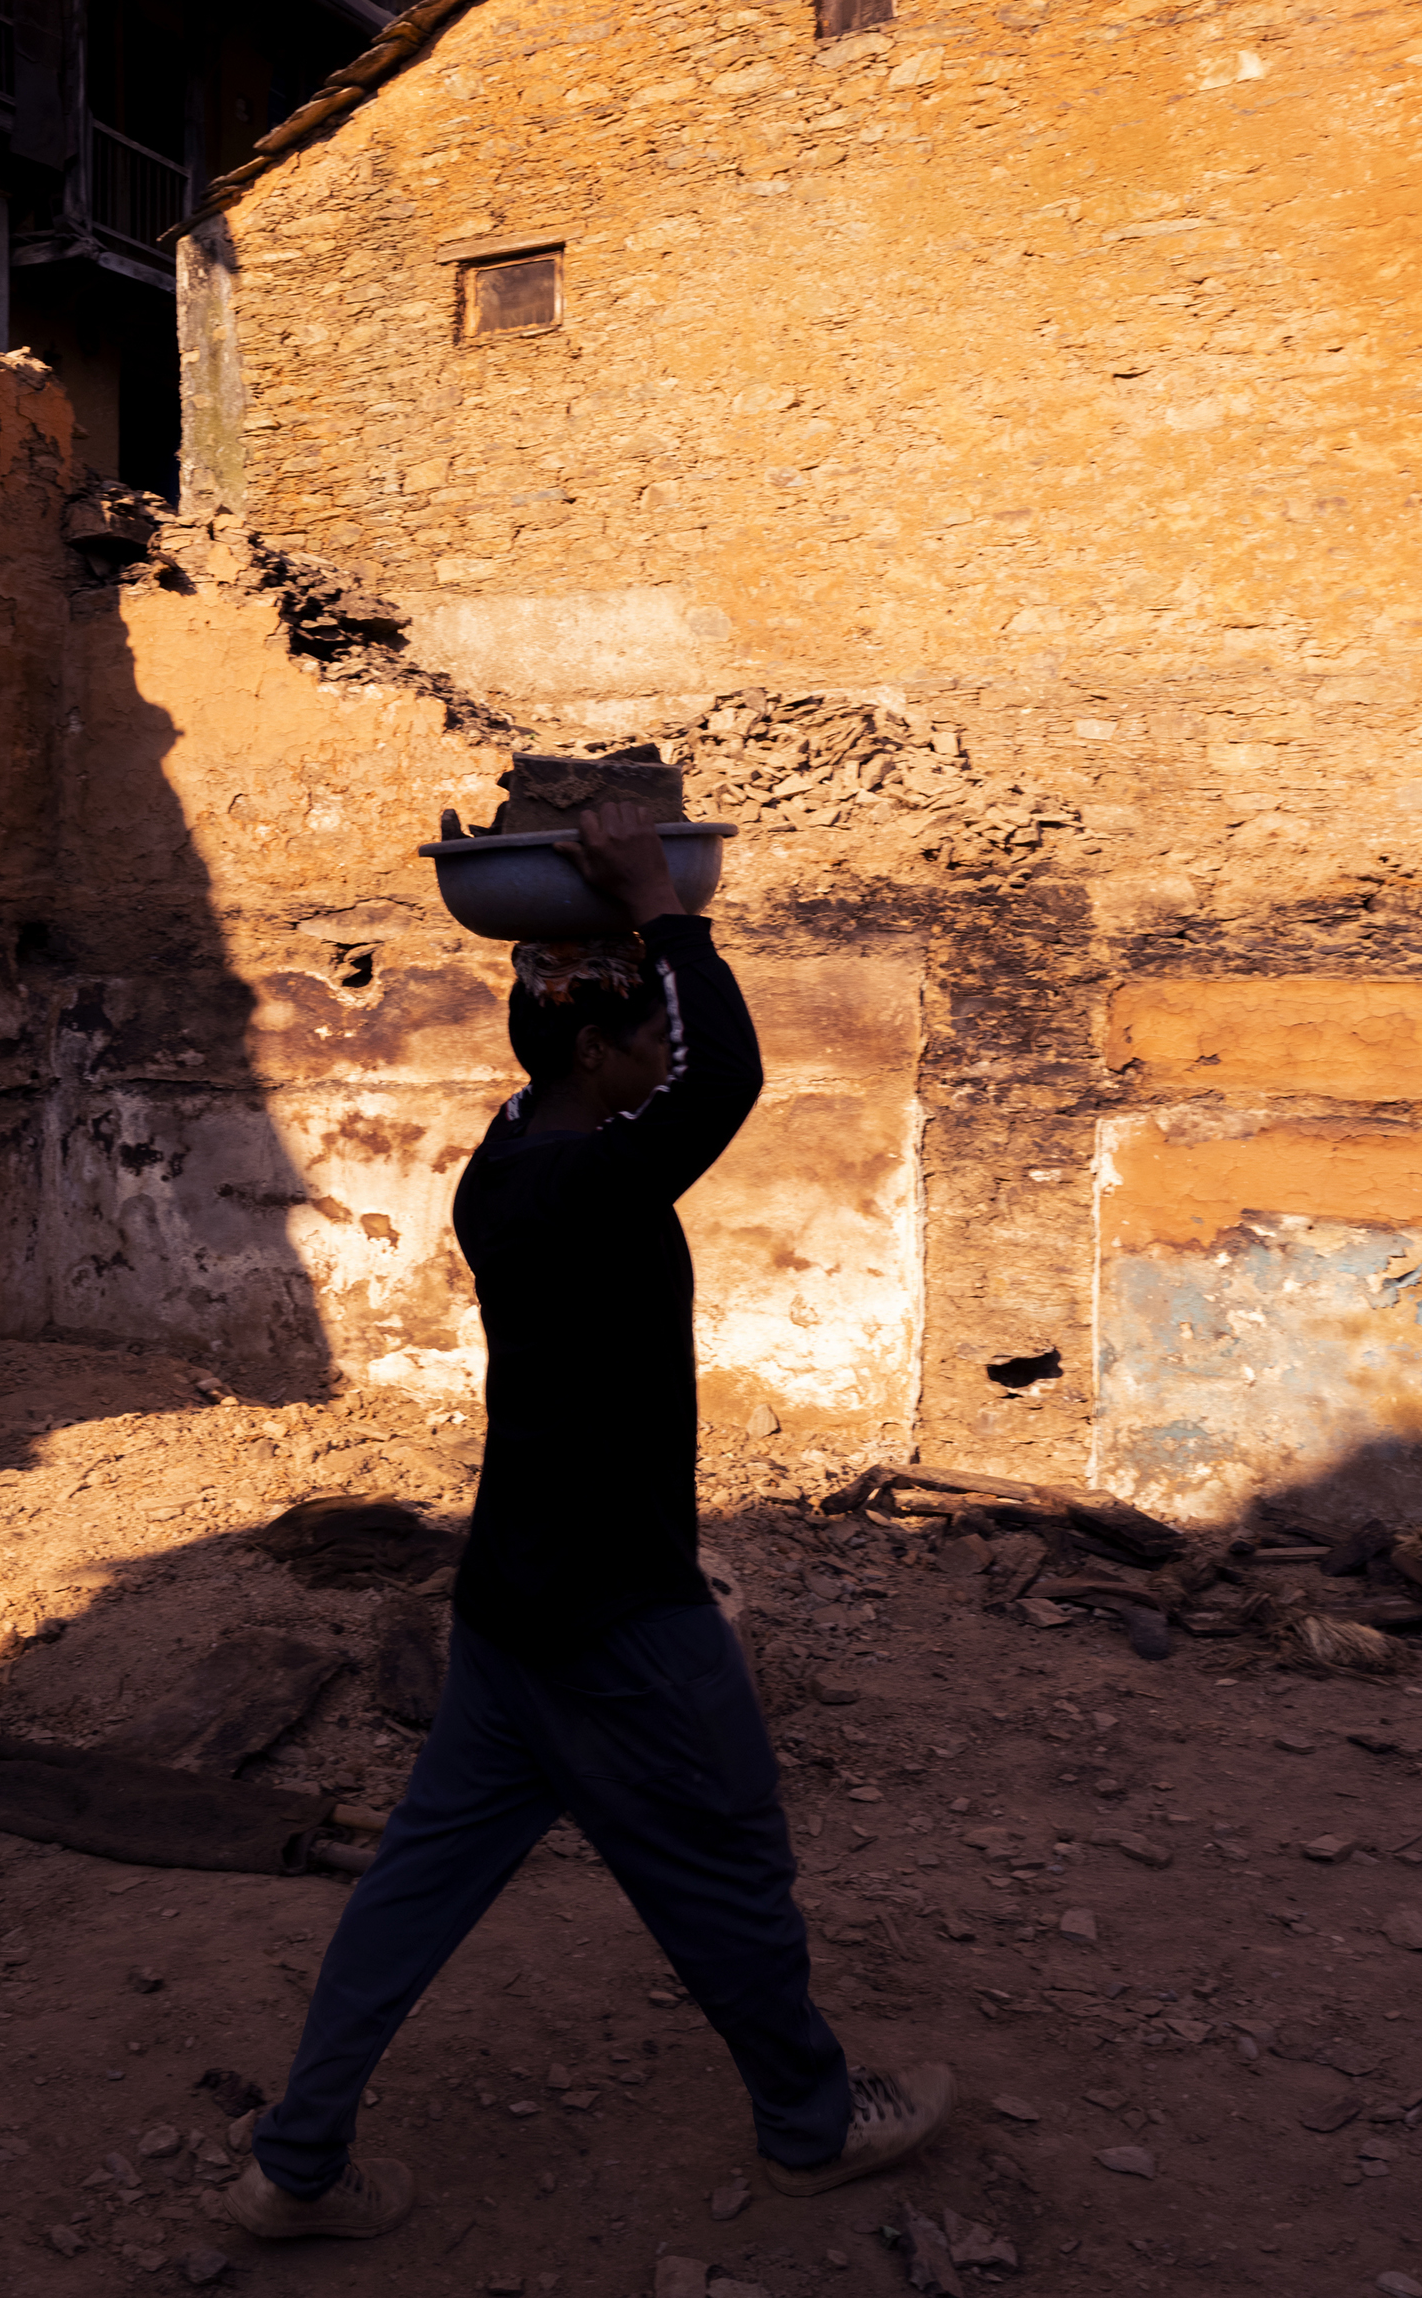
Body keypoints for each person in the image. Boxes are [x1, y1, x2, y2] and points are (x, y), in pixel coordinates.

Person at [227, 802, 954, 2240]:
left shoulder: (512, 1163)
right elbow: (725, 1082)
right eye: (645, 1039)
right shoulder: (591, 1185)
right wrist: (666, 912)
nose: (664, 1058)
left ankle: (294, 2164)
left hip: (509, 1607)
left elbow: (682, 1078)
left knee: (417, 1888)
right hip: (617, 1617)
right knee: (732, 1864)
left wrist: (606, 936)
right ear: (596, 1049)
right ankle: (811, 2125)